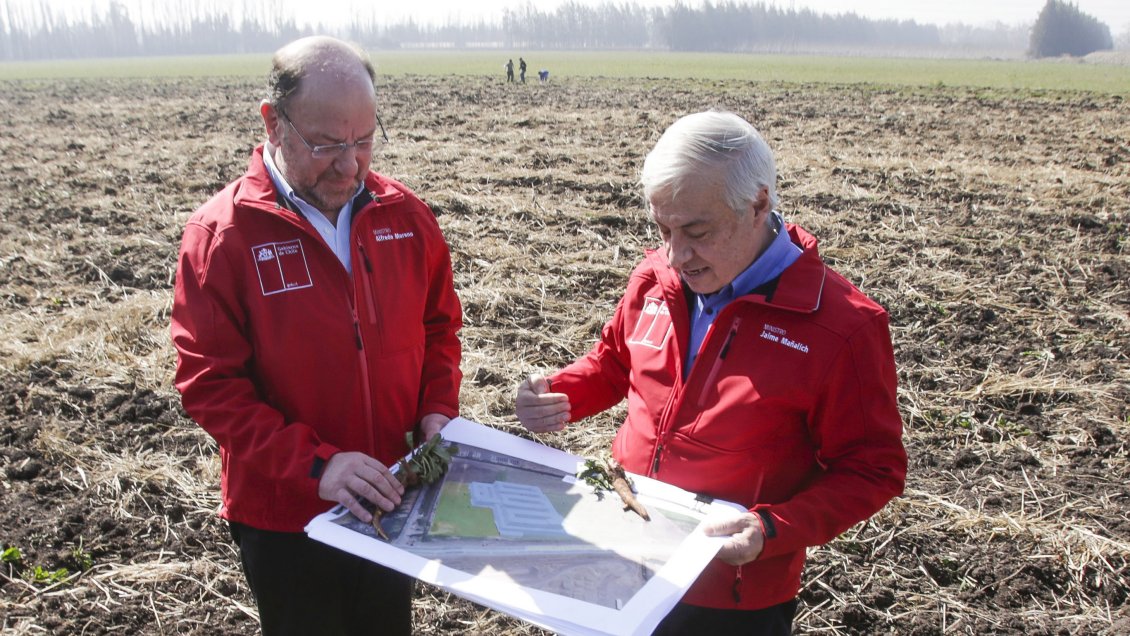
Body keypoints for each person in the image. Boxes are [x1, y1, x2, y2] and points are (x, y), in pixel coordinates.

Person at [515, 110, 906, 635]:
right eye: (663, 229)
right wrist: (559, 393)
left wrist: (769, 528)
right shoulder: (656, 279)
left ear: (758, 204)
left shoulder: (841, 328)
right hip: (622, 555)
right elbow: (615, 364)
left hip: (730, 598)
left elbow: (872, 469)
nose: (676, 254)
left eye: (697, 231)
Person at [170, 36, 462, 636]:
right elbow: (210, 385)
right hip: (286, 518)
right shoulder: (223, 236)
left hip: (389, 495)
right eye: (327, 145)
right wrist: (315, 466)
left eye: (363, 140)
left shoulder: (405, 219)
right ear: (273, 122)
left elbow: (439, 330)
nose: (350, 165)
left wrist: (437, 412)